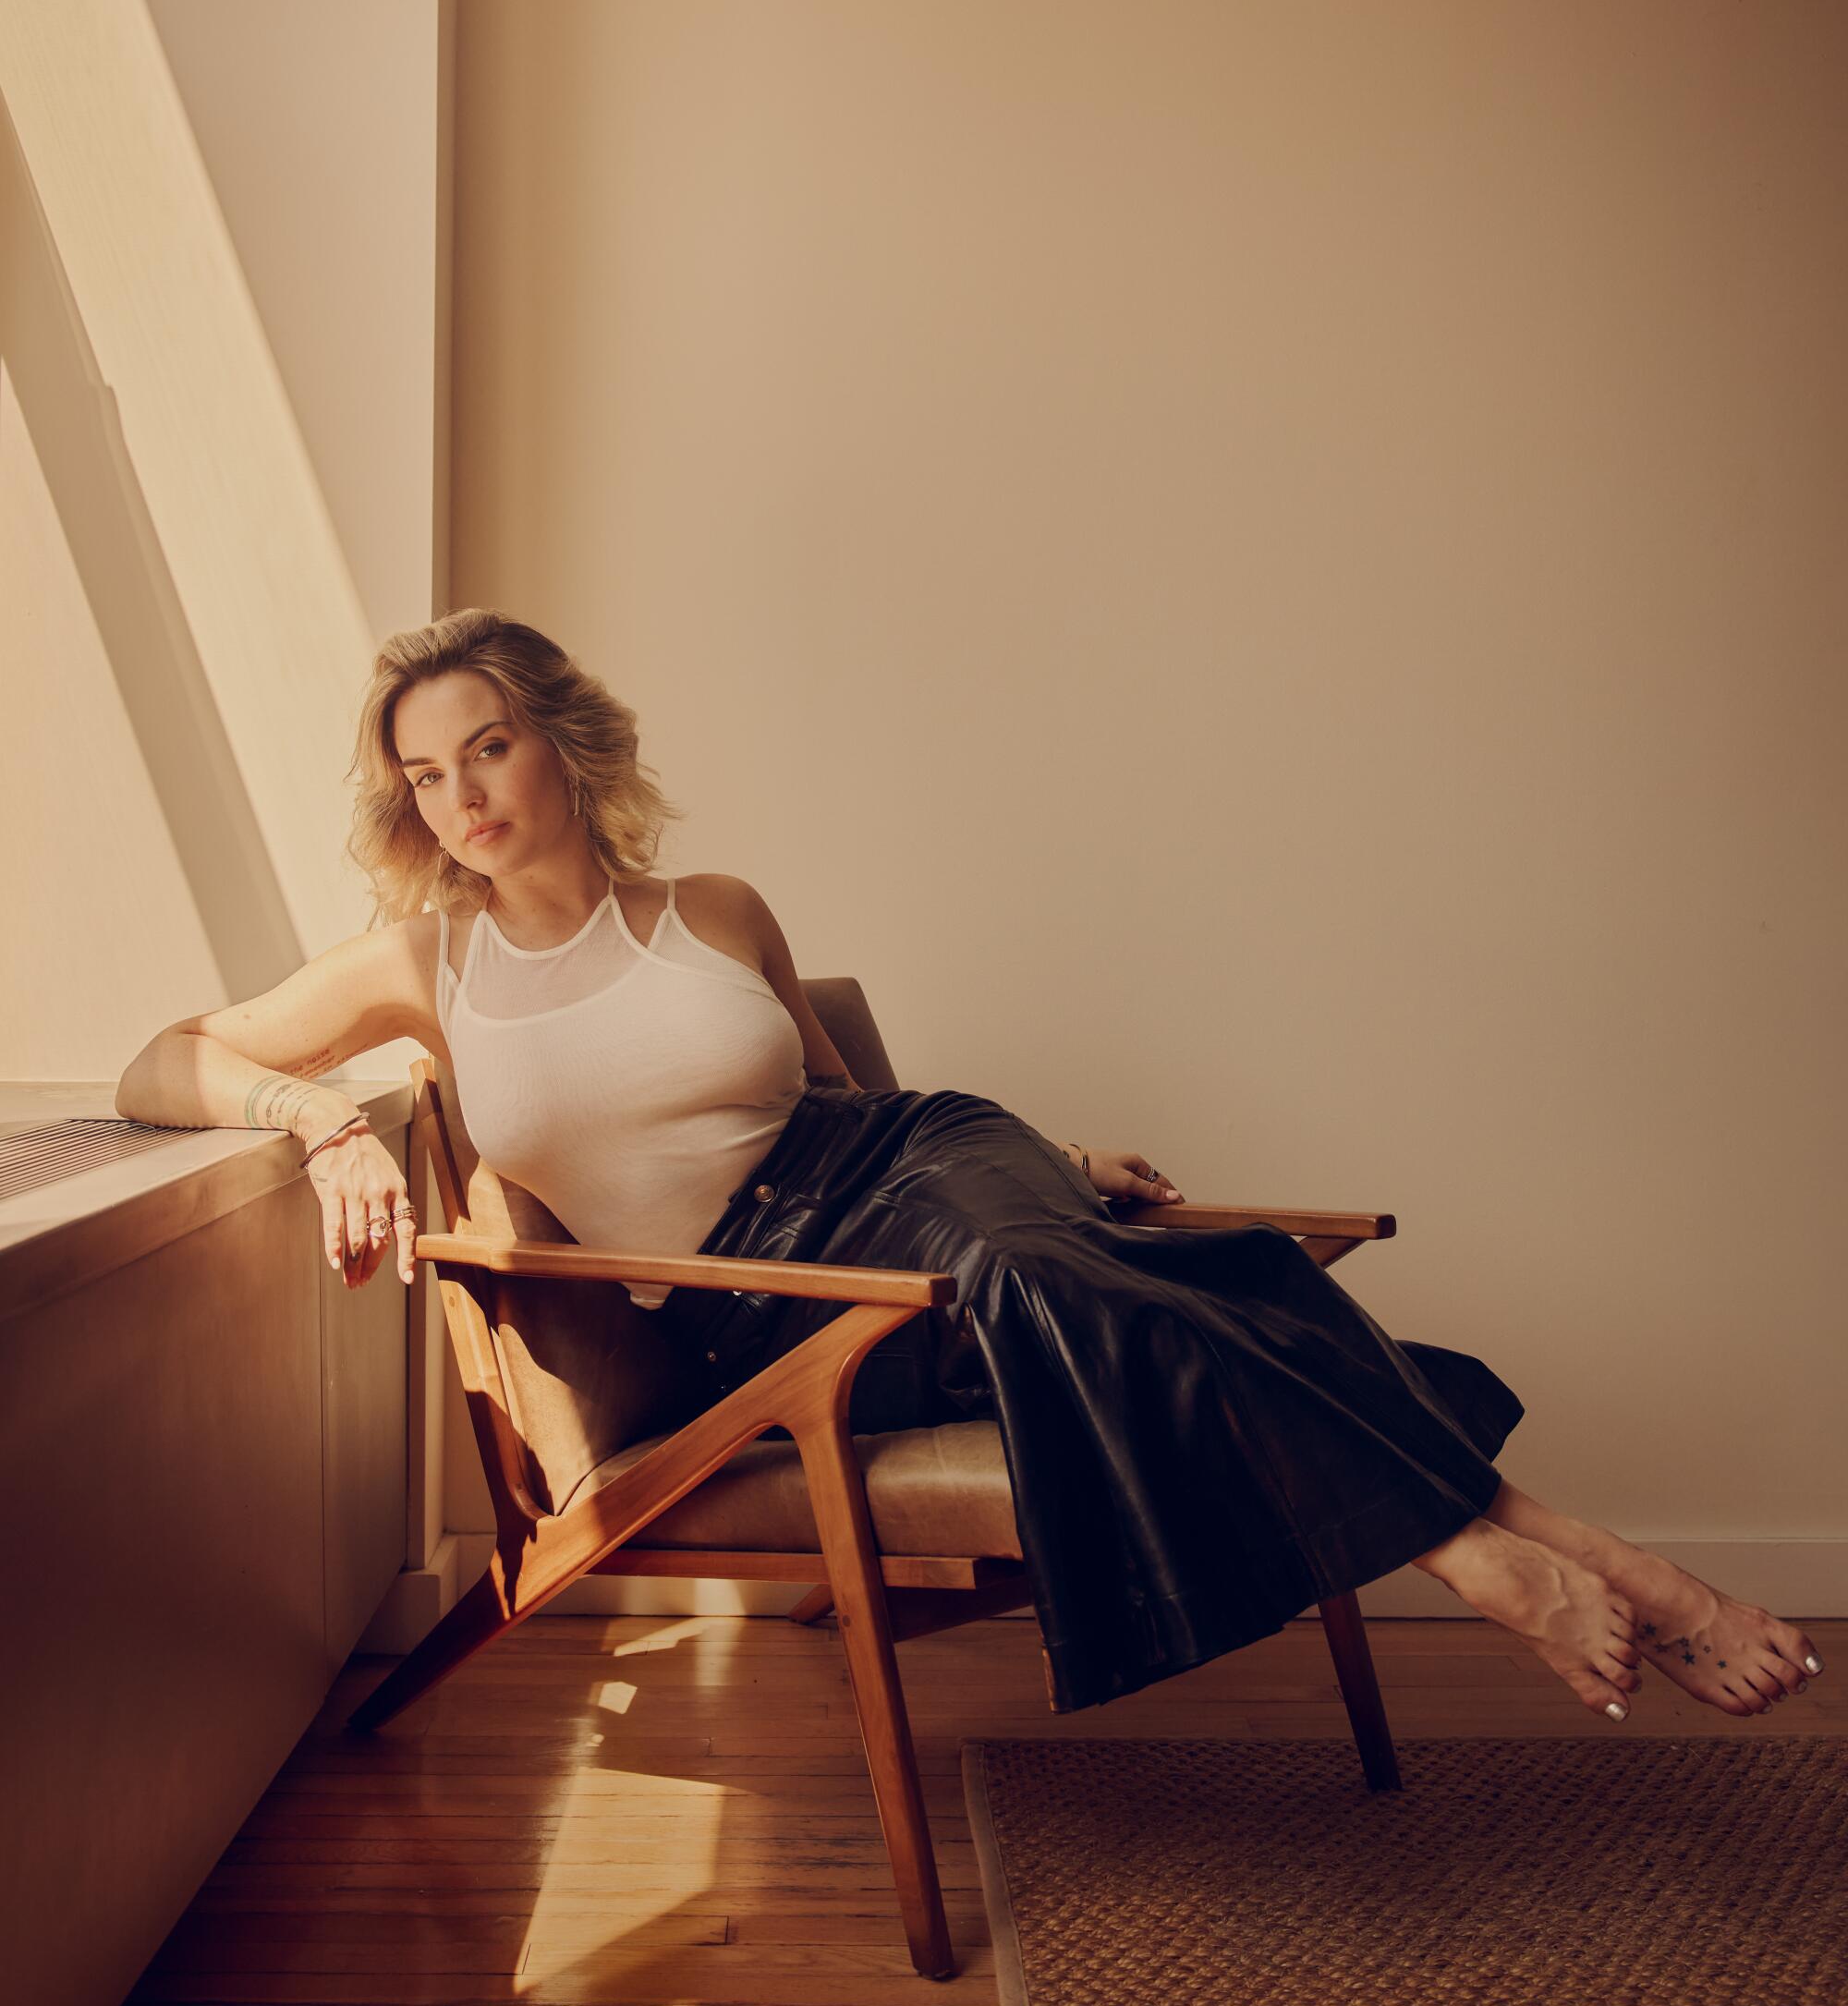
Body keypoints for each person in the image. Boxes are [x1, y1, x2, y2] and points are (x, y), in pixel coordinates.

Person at [116, 610, 1824, 1725]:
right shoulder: (423, 963)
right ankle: (1570, 1551)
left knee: (1041, 1255)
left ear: (556, 736)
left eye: (483, 742)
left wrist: (1052, 1163)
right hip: (760, 1305)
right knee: (1104, 1287)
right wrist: (323, 1120)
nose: (459, 789)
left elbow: (855, 1095)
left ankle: (1488, 1558)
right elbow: (164, 1058)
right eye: (426, 769)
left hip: (913, 1165)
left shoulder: (713, 912)